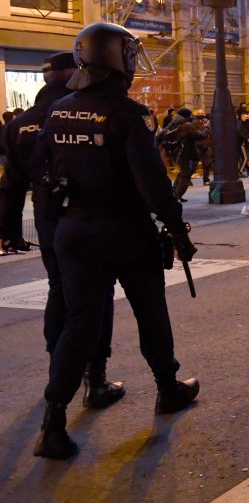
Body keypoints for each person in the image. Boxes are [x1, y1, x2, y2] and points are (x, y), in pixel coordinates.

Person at [34, 23, 199, 459]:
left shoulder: (59, 110)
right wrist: (178, 232)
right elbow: (154, 185)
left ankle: (54, 421)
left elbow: (45, 176)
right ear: (115, 58)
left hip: (73, 229)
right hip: (125, 230)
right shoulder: (129, 114)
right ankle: (168, 389)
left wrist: (53, 236)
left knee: (80, 323)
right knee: (150, 311)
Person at [0, 52, 125, 412]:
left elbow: (10, 186)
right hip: (90, 216)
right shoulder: (88, 112)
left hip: (47, 218)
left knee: (60, 290)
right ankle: (95, 381)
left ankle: (58, 371)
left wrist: (8, 231)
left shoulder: (20, 125)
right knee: (97, 296)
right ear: (74, 74)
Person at [162, 108, 207, 201]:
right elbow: (200, 136)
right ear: (186, 116)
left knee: (183, 173)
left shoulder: (178, 123)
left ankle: (174, 192)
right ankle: (177, 196)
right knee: (186, 175)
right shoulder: (187, 125)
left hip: (178, 152)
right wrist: (207, 127)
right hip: (183, 153)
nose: (192, 116)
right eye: (190, 115)